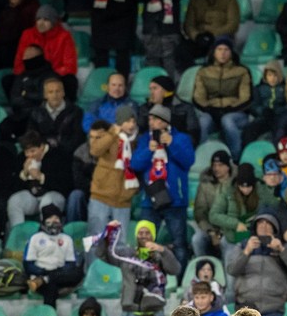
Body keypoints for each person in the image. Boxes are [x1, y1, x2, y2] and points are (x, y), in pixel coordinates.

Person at [95, 220, 181, 316]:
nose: (144, 235)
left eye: (147, 232)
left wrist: (163, 251)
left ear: (153, 235)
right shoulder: (126, 254)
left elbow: (175, 269)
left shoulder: (160, 254)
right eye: (140, 232)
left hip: (155, 313)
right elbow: (102, 254)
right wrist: (107, 235)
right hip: (130, 313)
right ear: (136, 235)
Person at [132, 104, 195, 270]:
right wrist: (148, 151)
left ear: (165, 121)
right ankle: (144, 275)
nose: (151, 122)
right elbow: (135, 164)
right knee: (144, 241)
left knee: (179, 243)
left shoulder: (181, 138)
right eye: (150, 119)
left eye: (155, 119)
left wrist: (172, 144)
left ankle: (179, 280)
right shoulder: (146, 139)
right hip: (150, 199)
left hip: (175, 199)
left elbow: (188, 161)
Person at [226, 212, 287, 316]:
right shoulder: (243, 245)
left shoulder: (282, 246)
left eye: (268, 223)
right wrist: (247, 251)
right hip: (246, 310)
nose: (264, 226)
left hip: (273, 310)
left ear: (275, 228)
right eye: (260, 223)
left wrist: (281, 249)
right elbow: (232, 269)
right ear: (255, 227)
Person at [193, 38, 252, 159]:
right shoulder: (204, 72)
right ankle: (202, 158)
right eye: (219, 49)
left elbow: (246, 97)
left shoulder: (242, 71)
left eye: (226, 49)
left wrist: (228, 109)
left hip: (236, 113)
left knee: (227, 120)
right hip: (211, 112)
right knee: (203, 122)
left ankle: (235, 159)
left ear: (231, 52)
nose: (223, 53)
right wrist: (210, 109)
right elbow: (198, 97)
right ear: (213, 52)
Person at [7, 130, 73, 227]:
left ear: (41, 147)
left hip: (55, 195)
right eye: (26, 152)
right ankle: (19, 235)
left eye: (33, 151)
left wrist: (41, 177)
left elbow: (65, 184)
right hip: (32, 196)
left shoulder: (58, 155)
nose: (29, 155)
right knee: (14, 201)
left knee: (46, 203)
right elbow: (13, 187)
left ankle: (47, 236)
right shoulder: (22, 158)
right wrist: (24, 174)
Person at [23, 204, 83, 307]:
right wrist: (43, 272)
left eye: (56, 218)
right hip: (39, 273)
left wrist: (50, 275)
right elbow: (28, 264)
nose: (53, 221)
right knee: (51, 286)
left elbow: (71, 264)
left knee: (78, 273)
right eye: (50, 218)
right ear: (44, 221)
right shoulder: (35, 238)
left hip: (60, 274)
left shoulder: (66, 239)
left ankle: (46, 279)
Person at [14, 5, 78, 101]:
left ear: (53, 22)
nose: (41, 23)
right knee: (10, 81)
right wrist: (21, 75)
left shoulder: (64, 36)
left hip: (54, 73)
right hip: (32, 74)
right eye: (38, 19)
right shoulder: (27, 34)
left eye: (46, 20)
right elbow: (19, 60)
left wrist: (52, 75)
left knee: (70, 81)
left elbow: (70, 65)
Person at [209, 163, 278, 252]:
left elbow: (276, 207)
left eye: (249, 187)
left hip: (256, 238)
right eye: (242, 186)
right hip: (233, 238)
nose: (245, 190)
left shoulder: (262, 190)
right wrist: (235, 224)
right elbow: (213, 215)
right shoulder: (227, 191)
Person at [86, 119, 137, 236]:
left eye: (98, 138)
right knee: (95, 238)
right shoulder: (110, 137)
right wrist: (111, 134)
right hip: (101, 196)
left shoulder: (131, 140)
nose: (94, 142)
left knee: (120, 243)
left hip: (123, 199)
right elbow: (95, 150)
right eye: (91, 137)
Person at [0, 44, 57, 142]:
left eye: (30, 57)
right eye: (25, 57)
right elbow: (14, 99)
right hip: (22, 114)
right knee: (4, 126)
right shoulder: (22, 76)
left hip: (42, 115)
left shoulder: (49, 76)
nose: (26, 59)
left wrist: (26, 94)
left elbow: (46, 97)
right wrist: (31, 98)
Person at [182, 0, 239, 69]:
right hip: (200, 39)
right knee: (181, 51)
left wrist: (213, 35)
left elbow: (233, 24)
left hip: (221, 37)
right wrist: (197, 36)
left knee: (221, 50)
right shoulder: (195, 0)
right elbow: (189, 25)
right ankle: (193, 76)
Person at [89, 0, 140, 78]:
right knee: (101, 56)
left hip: (124, 18)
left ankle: (121, 87)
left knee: (123, 55)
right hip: (100, 17)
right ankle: (101, 86)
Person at [27, 77, 86, 157]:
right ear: (45, 95)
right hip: (43, 154)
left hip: (67, 154)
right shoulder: (36, 113)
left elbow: (78, 138)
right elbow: (32, 137)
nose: (55, 95)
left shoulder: (76, 112)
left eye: (58, 91)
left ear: (63, 93)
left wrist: (60, 150)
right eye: (50, 92)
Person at [137, 74, 200, 148]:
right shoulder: (145, 109)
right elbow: (139, 133)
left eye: (155, 88)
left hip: (178, 149)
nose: (151, 92)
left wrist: (174, 142)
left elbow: (193, 135)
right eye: (150, 89)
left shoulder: (185, 108)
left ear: (166, 91)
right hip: (151, 149)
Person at [138, 0, 185, 77]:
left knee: (170, 59)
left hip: (169, 26)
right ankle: (154, 88)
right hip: (150, 25)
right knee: (151, 58)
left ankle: (169, 89)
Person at [194, 149, 235, 257]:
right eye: (214, 165)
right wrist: (211, 233)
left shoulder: (237, 183)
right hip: (210, 228)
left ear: (228, 166)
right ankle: (203, 269)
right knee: (197, 239)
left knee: (227, 242)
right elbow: (200, 212)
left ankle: (229, 273)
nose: (216, 168)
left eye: (220, 165)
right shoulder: (205, 185)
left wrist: (222, 233)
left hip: (230, 228)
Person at [241, 61, 287, 150]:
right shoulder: (259, 88)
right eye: (270, 75)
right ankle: (247, 153)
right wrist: (263, 111)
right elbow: (254, 105)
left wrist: (277, 111)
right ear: (265, 76)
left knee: (280, 132)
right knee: (249, 130)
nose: (272, 78)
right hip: (263, 117)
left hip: (279, 118)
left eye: (275, 75)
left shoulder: (285, 88)